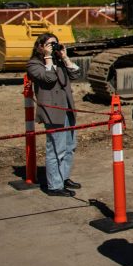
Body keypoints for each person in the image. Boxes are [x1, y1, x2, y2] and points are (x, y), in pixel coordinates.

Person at [26, 33, 82, 197]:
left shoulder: (59, 62)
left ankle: (63, 178)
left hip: (67, 109)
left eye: (55, 44)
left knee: (69, 147)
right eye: (50, 44)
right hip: (52, 112)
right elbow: (49, 78)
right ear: (40, 47)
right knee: (56, 149)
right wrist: (48, 58)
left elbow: (76, 74)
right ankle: (54, 186)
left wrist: (65, 58)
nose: (54, 47)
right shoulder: (34, 64)